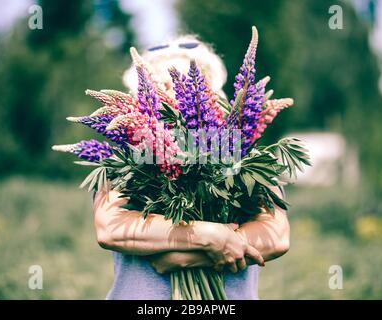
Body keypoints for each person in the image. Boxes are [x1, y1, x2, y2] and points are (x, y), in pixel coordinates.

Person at [93, 36, 290, 300]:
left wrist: (180, 258)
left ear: (209, 91)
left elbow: (276, 237)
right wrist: (209, 235)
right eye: (160, 84)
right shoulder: (127, 160)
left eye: (182, 83)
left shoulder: (246, 156)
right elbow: (112, 229)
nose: (171, 93)